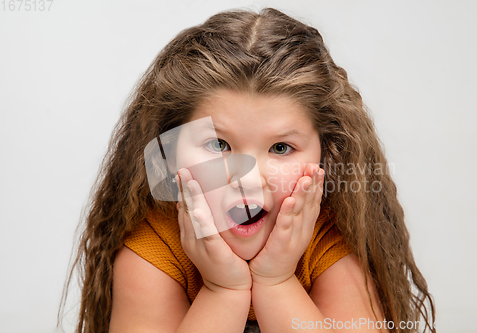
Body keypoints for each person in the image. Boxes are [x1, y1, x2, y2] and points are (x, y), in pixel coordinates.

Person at [58, 7, 435, 333]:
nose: (248, 180)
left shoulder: (331, 241)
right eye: (218, 145)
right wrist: (223, 290)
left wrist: (277, 281)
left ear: (328, 155)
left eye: (282, 148)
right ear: (168, 152)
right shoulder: (153, 249)